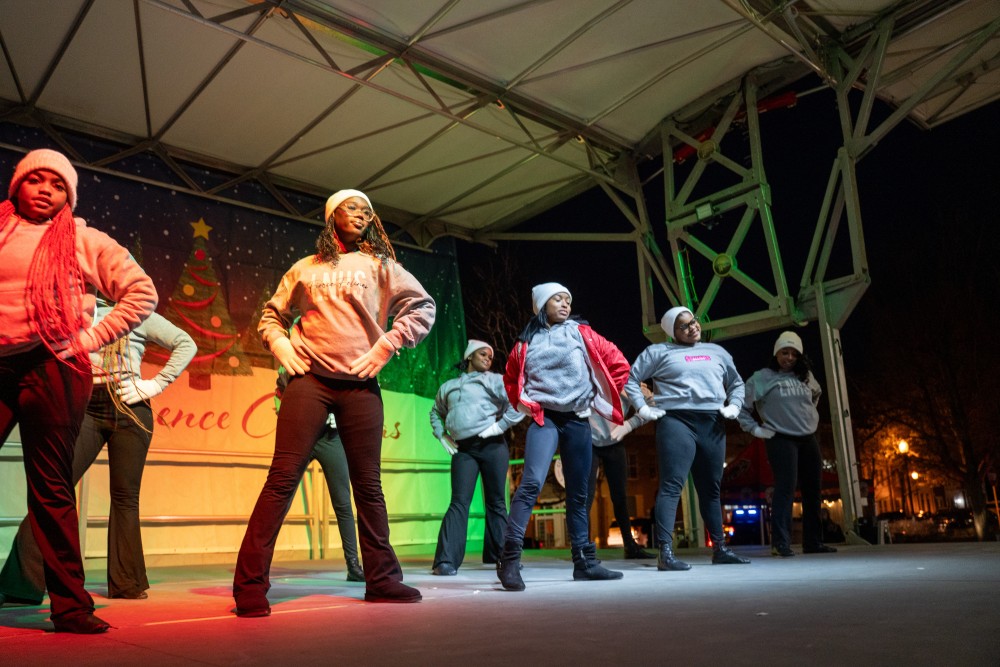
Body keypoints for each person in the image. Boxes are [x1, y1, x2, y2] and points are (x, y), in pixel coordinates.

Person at [233, 189, 435, 617]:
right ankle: (249, 586)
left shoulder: (381, 266)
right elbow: (271, 315)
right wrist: (281, 346)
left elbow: (422, 307)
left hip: (360, 383)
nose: (362, 215)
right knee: (282, 479)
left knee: (368, 485)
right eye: (352, 207)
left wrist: (388, 345)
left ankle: (382, 580)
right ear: (331, 216)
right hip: (310, 380)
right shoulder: (305, 268)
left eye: (368, 211)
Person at [0, 148, 158, 633]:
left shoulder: (83, 239)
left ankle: (70, 606)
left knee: (50, 486)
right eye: (36, 180)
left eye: (58, 185)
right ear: (17, 185)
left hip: (54, 365)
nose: (45, 190)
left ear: (68, 196)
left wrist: (88, 340)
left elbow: (142, 293)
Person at [0, 298, 194, 603]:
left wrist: (155, 384)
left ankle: (127, 582)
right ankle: (20, 583)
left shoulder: (138, 314)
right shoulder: (76, 311)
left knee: (125, 496)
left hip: (129, 406)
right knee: (55, 488)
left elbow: (186, 343)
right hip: (88, 404)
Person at [497, 283, 630, 591]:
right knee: (531, 483)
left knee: (579, 493)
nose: (565, 304)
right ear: (542, 305)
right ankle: (510, 560)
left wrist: (598, 396)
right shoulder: (526, 342)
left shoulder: (581, 333)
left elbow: (618, 364)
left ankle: (584, 563)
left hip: (577, 420)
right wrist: (526, 405)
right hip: (545, 419)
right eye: (557, 299)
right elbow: (511, 379)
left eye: (568, 299)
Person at [624, 306, 750, 571]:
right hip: (676, 421)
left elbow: (737, 383)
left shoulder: (717, 352)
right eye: (684, 326)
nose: (692, 327)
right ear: (672, 332)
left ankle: (720, 548)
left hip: (712, 421)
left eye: (693, 321)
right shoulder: (658, 352)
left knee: (711, 488)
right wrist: (642, 407)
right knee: (672, 485)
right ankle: (665, 553)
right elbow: (631, 379)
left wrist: (735, 405)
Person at [738, 331, 837, 557]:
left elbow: (816, 395)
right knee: (786, 488)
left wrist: (805, 415)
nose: (789, 357)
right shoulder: (762, 377)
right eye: (785, 352)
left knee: (813, 490)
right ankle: (780, 543)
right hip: (780, 437)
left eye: (794, 354)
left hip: (808, 437)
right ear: (776, 353)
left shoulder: (806, 376)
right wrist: (755, 428)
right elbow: (740, 405)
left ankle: (813, 542)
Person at [429, 339, 523, 576]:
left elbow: (518, 401)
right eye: (483, 354)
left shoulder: (495, 380)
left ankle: (503, 557)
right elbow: (435, 412)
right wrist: (441, 435)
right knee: (459, 501)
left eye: (490, 356)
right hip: (465, 449)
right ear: (469, 356)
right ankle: (445, 560)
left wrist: (500, 426)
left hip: (493, 445)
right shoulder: (449, 386)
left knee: (496, 501)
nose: (488, 359)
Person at [275, 367, 364, 582]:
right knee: (279, 498)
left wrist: (339, 417)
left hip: (330, 439)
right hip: (301, 437)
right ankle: (259, 564)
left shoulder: (338, 362)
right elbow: (278, 394)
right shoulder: (291, 365)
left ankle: (353, 565)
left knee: (343, 503)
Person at [586, 385, 655, 559]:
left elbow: (652, 403)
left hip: (615, 442)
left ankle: (630, 547)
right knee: (585, 497)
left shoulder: (625, 380)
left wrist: (630, 424)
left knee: (620, 498)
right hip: (588, 442)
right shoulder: (589, 373)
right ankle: (583, 548)